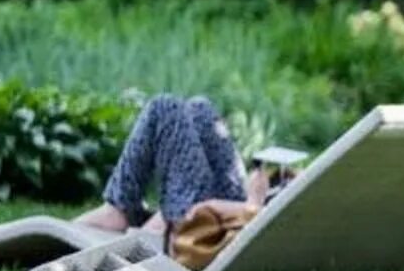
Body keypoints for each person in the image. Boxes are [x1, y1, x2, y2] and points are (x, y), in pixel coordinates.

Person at [73, 95, 274, 240]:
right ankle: (119, 208)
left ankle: (117, 210)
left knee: (164, 107)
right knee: (200, 109)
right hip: (233, 209)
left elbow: (206, 209)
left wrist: (253, 203)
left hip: (200, 224)